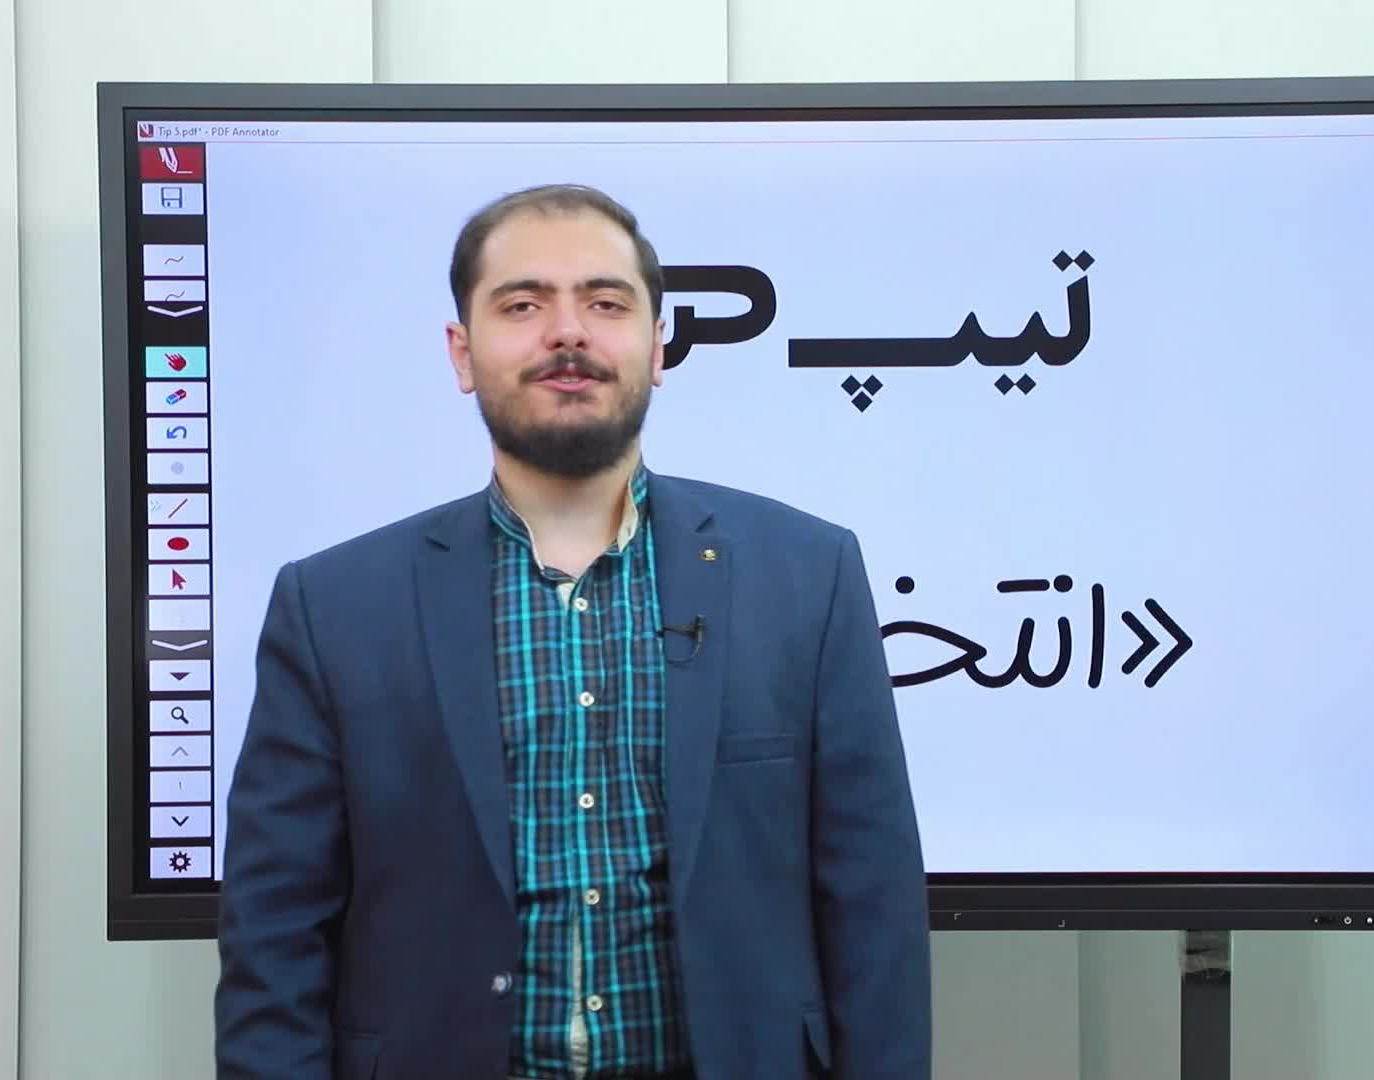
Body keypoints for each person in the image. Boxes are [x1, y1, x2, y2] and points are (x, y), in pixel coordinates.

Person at [213, 184, 933, 1080]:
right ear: (462, 352)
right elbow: (275, 933)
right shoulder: (333, 606)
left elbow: (873, 903)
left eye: (605, 303)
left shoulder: (807, 575)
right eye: (522, 305)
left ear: (658, 346)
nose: (567, 333)